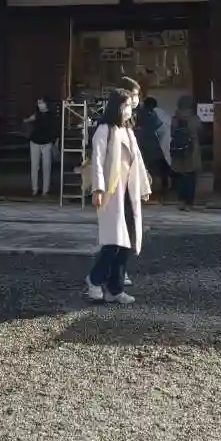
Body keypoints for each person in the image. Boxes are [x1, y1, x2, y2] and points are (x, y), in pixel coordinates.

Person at [84, 88, 149, 305]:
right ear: (116, 106)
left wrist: (143, 188)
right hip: (112, 193)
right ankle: (95, 279)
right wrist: (98, 189)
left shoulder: (128, 131)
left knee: (126, 243)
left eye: (130, 105)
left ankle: (115, 289)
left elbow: (138, 161)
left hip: (128, 192)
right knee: (113, 242)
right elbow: (97, 161)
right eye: (126, 105)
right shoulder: (104, 130)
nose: (129, 109)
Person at [168, 93, 202, 208]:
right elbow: (200, 131)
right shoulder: (194, 119)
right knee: (190, 176)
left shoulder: (174, 119)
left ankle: (181, 200)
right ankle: (189, 202)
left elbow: (172, 133)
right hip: (191, 150)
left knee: (180, 176)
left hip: (177, 150)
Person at [135, 93, 171, 197]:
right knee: (161, 169)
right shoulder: (160, 114)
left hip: (148, 145)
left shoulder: (144, 114)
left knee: (151, 169)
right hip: (159, 145)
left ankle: (152, 191)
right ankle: (162, 190)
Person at [27, 98, 59, 197]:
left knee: (46, 167)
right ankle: (35, 189)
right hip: (35, 142)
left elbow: (55, 129)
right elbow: (27, 121)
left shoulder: (51, 116)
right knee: (35, 167)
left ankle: (45, 190)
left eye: (42, 102)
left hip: (46, 143)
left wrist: (55, 141)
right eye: (38, 103)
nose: (40, 105)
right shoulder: (36, 114)